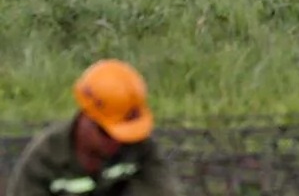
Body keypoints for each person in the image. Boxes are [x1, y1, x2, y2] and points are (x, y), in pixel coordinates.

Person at [7, 59, 178, 196]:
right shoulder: (44, 160)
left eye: (125, 134)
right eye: (107, 133)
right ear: (86, 118)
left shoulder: (140, 148)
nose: (116, 143)